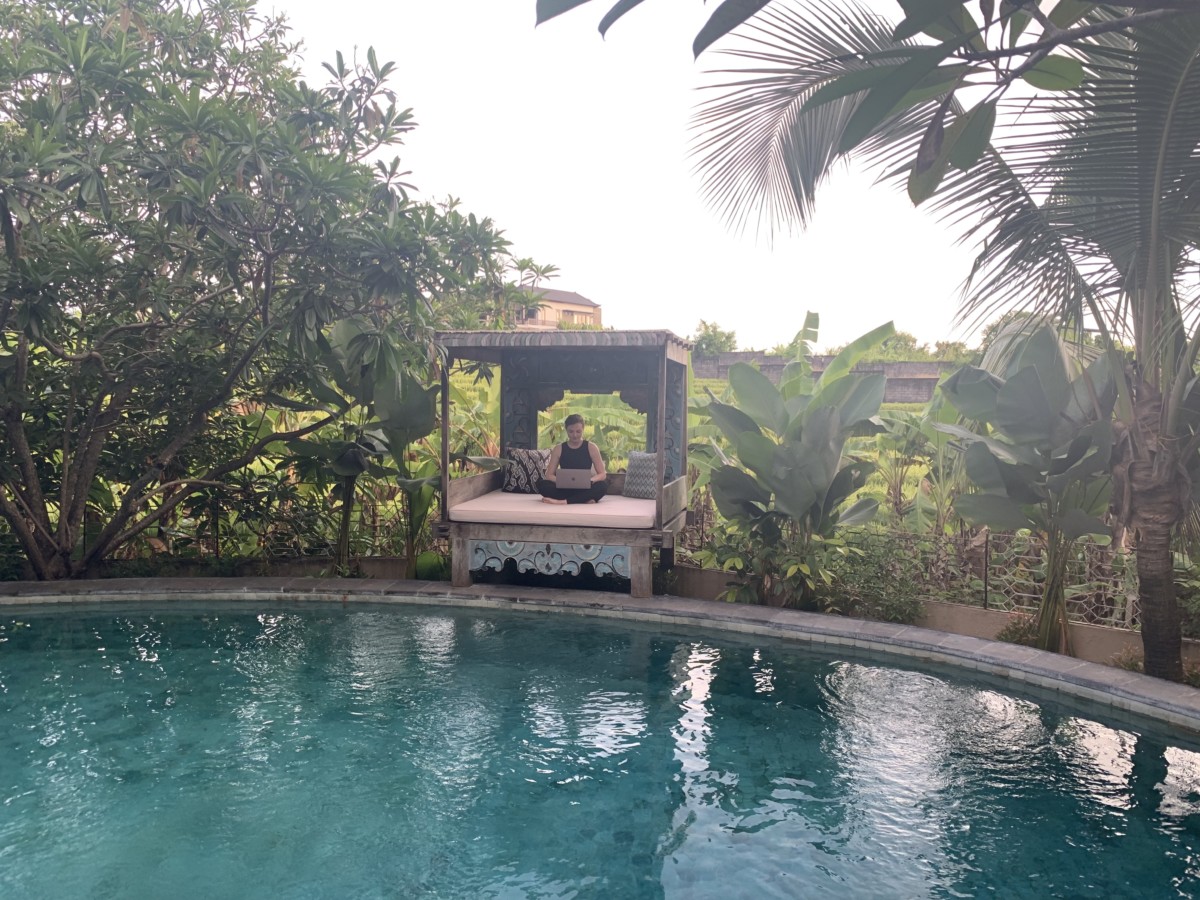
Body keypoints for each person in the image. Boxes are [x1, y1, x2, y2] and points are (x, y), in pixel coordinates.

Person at [539, 413, 607, 504]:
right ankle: (583, 499)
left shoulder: (591, 447)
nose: (574, 435)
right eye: (571, 431)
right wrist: (562, 481)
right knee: (542, 484)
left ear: (583, 429)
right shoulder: (559, 449)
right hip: (565, 488)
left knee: (602, 486)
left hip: (584, 487)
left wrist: (590, 481)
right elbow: (549, 475)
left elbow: (602, 474)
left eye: (578, 431)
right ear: (566, 430)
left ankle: (563, 501)